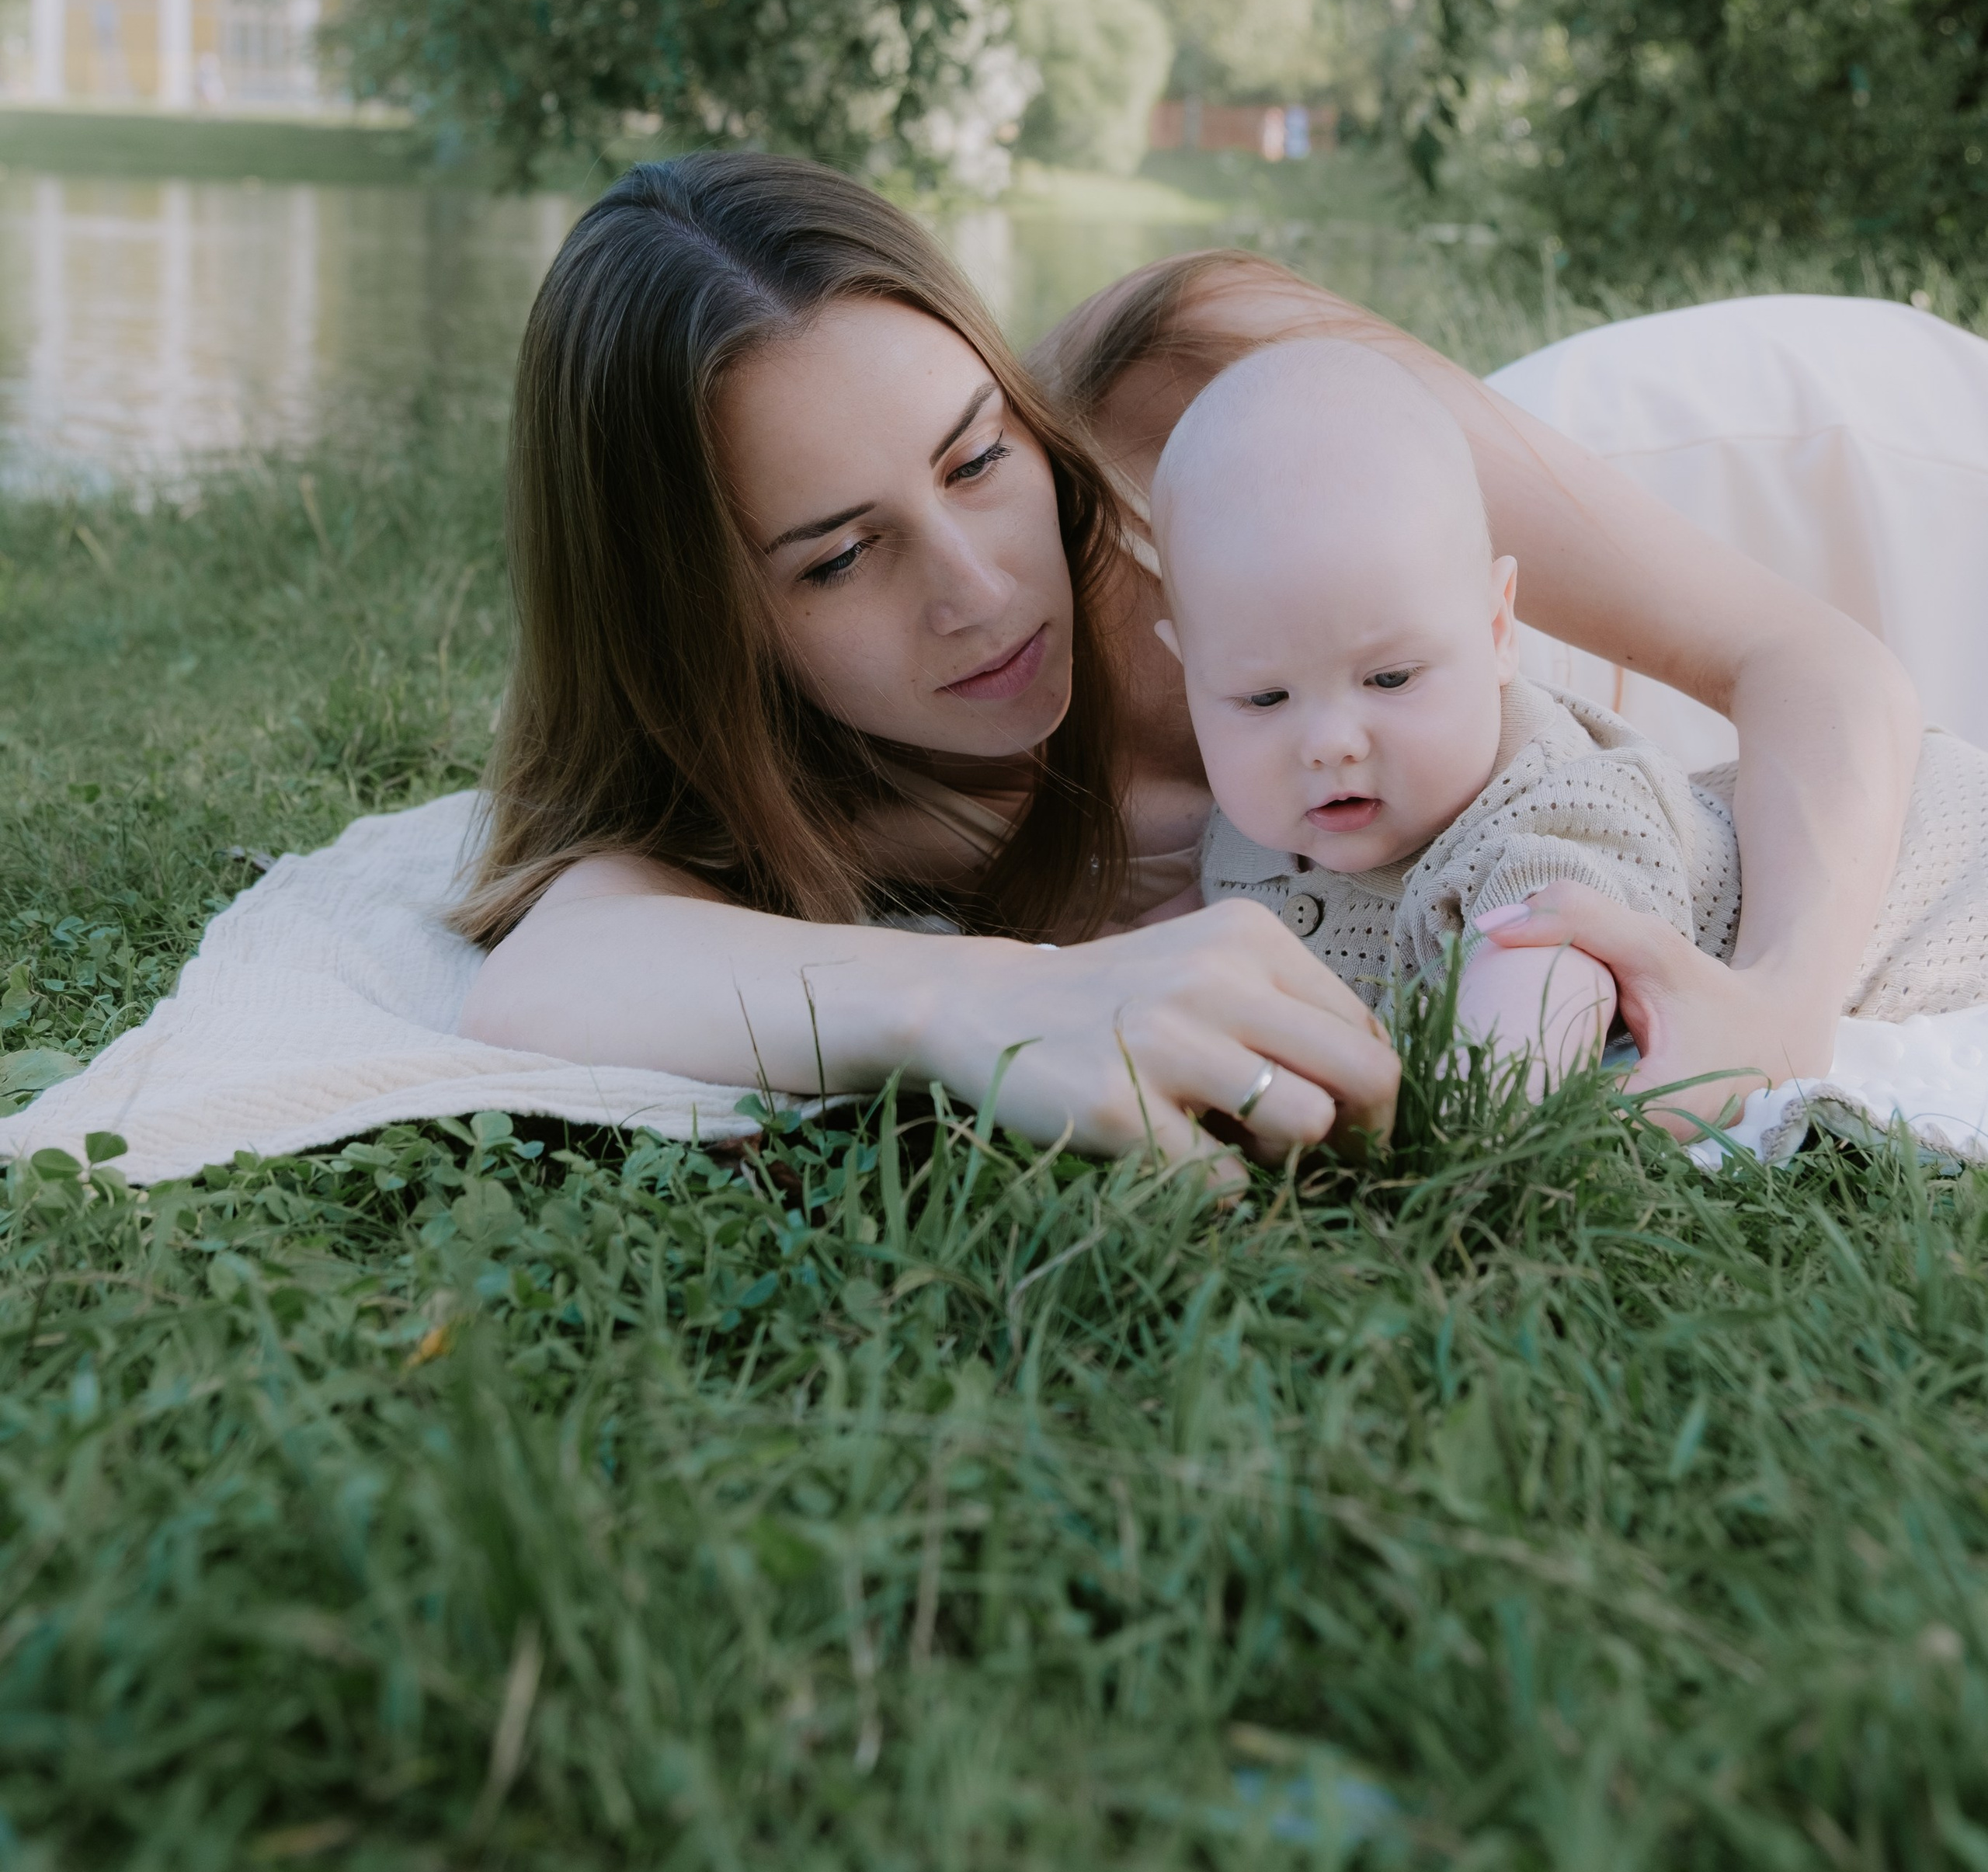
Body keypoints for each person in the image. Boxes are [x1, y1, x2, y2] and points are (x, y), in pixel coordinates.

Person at [456, 153, 1922, 1172]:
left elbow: (1808, 657)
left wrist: (1785, 1003)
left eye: (977, 457)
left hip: (1832, 479)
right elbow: (554, 968)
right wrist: (979, 1001)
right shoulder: (797, 796)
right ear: (705, 621)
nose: (980, 590)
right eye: (842, 557)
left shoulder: (1199, 382)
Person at [1153, 339, 1988, 1114]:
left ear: (1496, 629)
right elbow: (1171, 961)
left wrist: (1448, 1130)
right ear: (1188, 674)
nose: (1329, 741)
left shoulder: (1549, 827)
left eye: (1391, 678)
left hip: (1933, 876)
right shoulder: (1248, 831)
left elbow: (1515, 1049)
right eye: (1264, 699)